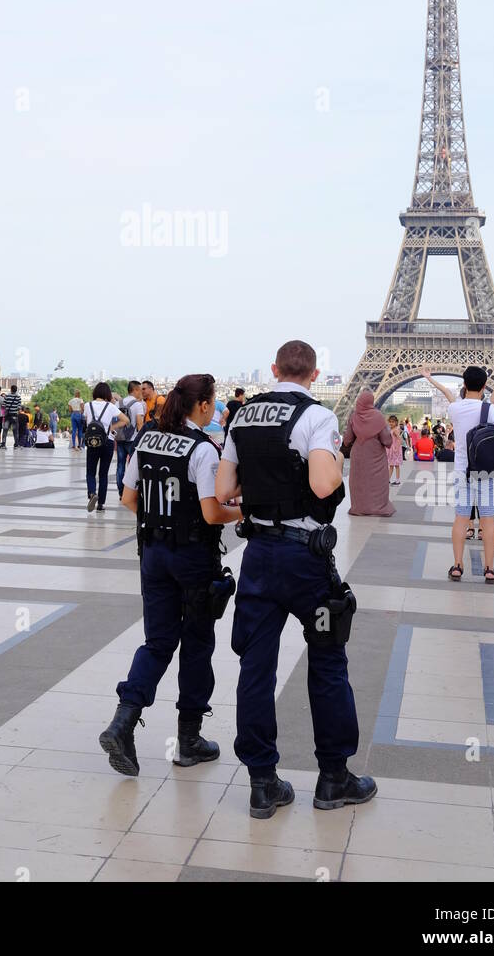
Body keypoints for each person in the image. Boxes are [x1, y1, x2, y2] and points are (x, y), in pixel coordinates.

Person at [216, 338, 376, 820]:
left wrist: (262, 492)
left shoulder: (242, 417)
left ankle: (262, 782)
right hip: (305, 557)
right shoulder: (316, 417)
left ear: (274, 369)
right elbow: (325, 485)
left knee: (255, 668)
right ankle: (333, 778)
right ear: (312, 373)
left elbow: (224, 490)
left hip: (259, 554)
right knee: (328, 662)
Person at [98, 374, 241, 776]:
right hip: (193, 557)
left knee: (157, 642)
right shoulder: (202, 449)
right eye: (211, 403)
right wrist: (244, 512)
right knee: (196, 644)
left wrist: (160, 522)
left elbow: (128, 498)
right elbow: (213, 513)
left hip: (153, 554)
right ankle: (189, 740)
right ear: (202, 406)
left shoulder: (146, 439)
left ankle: (123, 721)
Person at [421, 364, 494, 585]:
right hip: (486, 471)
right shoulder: (491, 410)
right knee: (488, 521)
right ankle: (490, 569)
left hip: (462, 471)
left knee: (461, 519)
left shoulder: (455, 409)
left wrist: (430, 378)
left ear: (464, 385)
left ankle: (457, 566)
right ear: (484, 386)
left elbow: (448, 394)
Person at [343, 391, 394, 516]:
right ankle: (378, 507)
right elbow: (387, 440)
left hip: (358, 455)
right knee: (377, 482)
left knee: (359, 482)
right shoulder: (378, 416)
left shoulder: (354, 416)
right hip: (375, 454)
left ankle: (359, 507)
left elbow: (347, 440)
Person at [83, 383, 129, 512]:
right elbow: (126, 420)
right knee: (103, 474)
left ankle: (92, 493)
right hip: (107, 441)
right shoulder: (111, 407)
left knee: (90, 471)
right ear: (107, 394)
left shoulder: (88, 405)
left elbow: (86, 420)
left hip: (92, 441)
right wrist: (112, 428)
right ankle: (101, 504)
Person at [114, 380, 145, 500]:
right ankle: (131, 492)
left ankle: (121, 492)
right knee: (133, 467)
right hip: (133, 440)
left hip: (120, 438)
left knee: (120, 465)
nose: (141, 392)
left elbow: (115, 420)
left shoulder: (118, 403)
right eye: (140, 390)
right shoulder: (138, 405)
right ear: (135, 390)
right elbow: (139, 423)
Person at [1, 384, 22, 448]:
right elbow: (19, 407)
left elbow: (3, 405)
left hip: (7, 415)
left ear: (11, 389)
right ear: (16, 390)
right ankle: (16, 444)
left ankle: (3, 444)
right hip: (14, 416)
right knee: (15, 431)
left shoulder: (7, 396)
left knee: (5, 430)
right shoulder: (18, 397)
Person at [386, 414, 403, 486]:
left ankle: (397, 480)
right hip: (393, 449)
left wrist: (396, 448)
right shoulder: (393, 429)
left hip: (395, 450)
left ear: (396, 422)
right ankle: (389, 480)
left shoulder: (395, 430)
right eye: (390, 422)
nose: (391, 423)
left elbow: (399, 439)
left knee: (395, 465)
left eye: (392, 422)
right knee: (392, 465)